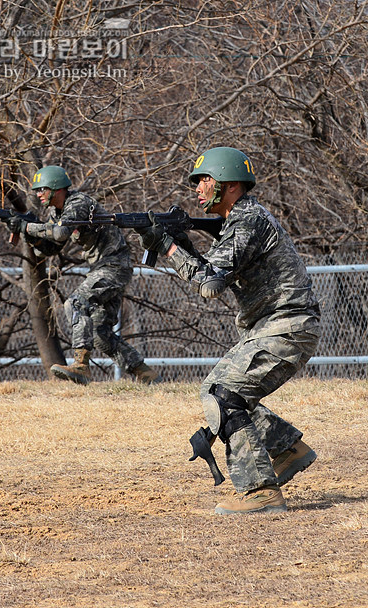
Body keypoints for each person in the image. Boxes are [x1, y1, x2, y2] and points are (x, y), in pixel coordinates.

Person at [136, 147, 321, 515]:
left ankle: (259, 492)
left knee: (224, 395)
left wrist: (169, 246)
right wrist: (184, 244)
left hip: (287, 325)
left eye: (206, 179)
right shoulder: (240, 219)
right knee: (218, 391)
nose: (198, 188)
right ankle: (286, 450)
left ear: (231, 184)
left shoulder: (246, 221)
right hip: (276, 326)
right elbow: (212, 268)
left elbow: (210, 284)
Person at [8, 166, 160, 385]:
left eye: (41, 189)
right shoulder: (56, 212)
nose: (38, 194)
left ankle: (81, 366)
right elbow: (49, 249)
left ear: (56, 188)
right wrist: (25, 232)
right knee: (100, 335)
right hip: (103, 268)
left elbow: (60, 233)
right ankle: (146, 374)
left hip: (114, 266)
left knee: (76, 304)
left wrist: (28, 226)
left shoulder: (78, 203)